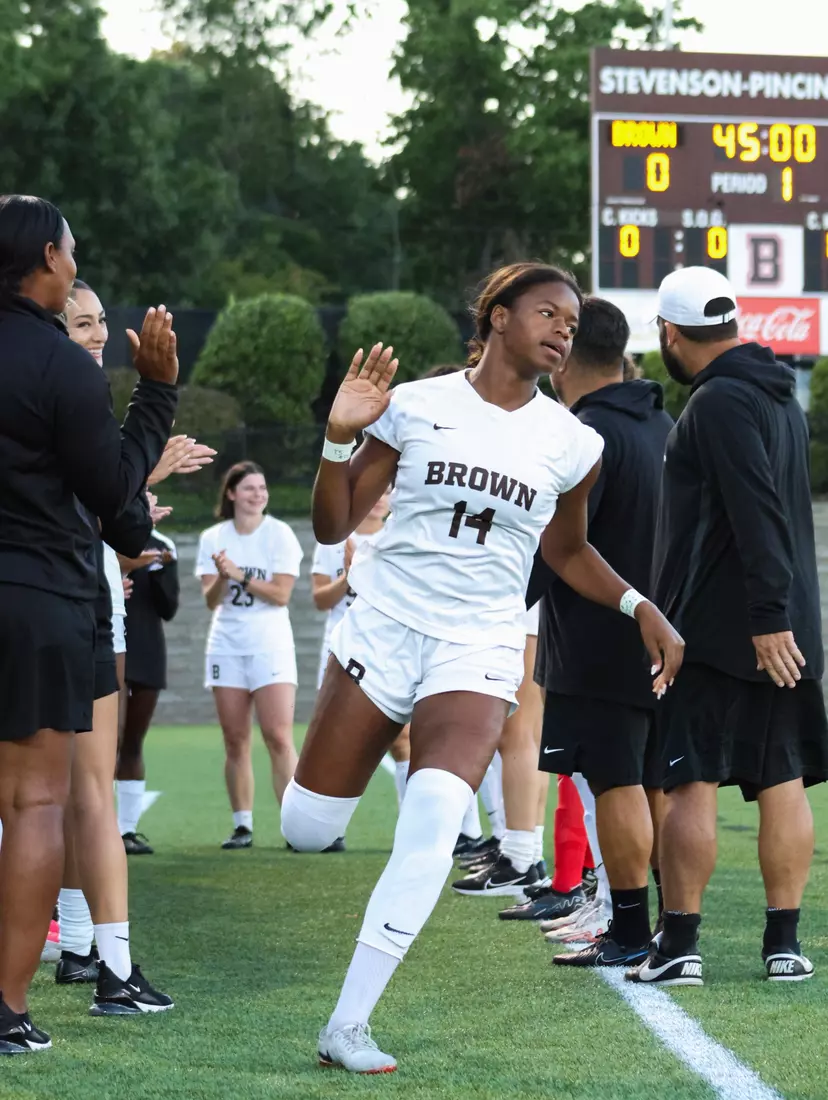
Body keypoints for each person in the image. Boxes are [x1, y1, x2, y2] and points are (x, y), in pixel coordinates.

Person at [279, 261, 684, 1074]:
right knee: (307, 829)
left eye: (572, 322)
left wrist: (639, 605)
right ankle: (326, 804)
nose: (563, 330)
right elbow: (331, 526)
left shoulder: (575, 442)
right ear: (497, 315)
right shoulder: (416, 403)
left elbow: (566, 550)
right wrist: (337, 437)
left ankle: (348, 1024)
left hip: (480, 647)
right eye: (547, 312)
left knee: (434, 820)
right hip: (385, 628)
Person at [0, 195, 177, 1051]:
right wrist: (157, 395)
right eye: (70, 250)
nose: (75, 262)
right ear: (47, 258)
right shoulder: (59, 365)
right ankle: (7, 1009)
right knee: (37, 803)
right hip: (38, 599)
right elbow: (118, 505)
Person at [629, 267, 828, 987]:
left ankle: (680, 945)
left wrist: (765, 617)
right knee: (782, 779)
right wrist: (780, 615)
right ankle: (784, 945)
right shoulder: (781, 397)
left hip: (721, 628)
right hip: (786, 625)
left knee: (692, 780)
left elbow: (754, 508)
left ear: (670, 333)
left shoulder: (715, 402)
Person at [519, 296, 673, 965]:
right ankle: (671, 927)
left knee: (614, 783)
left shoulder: (582, 436)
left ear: (565, 358)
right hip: (665, 634)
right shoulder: (663, 424)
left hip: (600, 638)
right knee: (655, 783)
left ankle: (629, 930)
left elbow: (558, 548)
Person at [196, 461, 304, 850]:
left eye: (262, 488)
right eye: (249, 488)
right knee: (235, 739)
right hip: (227, 644)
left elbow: (281, 595)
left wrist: (240, 574)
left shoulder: (280, 534)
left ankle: (297, 827)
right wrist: (223, 577)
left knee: (278, 736)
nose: (258, 494)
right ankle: (242, 825)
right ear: (231, 494)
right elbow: (211, 601)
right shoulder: (213, 537)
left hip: (270, 644)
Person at [117, 527, 180, 854]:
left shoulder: (162, 546)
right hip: (107, 645)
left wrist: (156, 569)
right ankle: (97, 828)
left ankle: (126, 830)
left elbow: (169, 608)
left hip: (146, 649)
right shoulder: (104, 533)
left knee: (132, 743)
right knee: (109, 739)